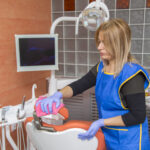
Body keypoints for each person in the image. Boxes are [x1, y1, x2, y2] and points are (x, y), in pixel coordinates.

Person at [37, 18, 150, 149]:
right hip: (109, 134)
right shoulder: (101, 67)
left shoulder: (131, 76)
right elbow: (79, 85)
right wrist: (58, 94)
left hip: (131, 141)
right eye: (99, 41)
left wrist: (101, 122)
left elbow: (138, 116)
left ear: (118, 44)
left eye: (105, 43)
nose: (99, 47)